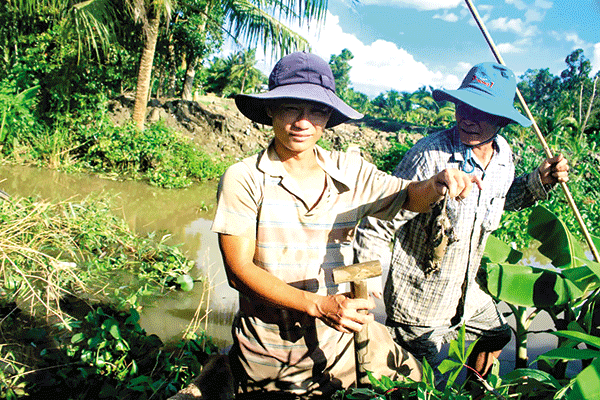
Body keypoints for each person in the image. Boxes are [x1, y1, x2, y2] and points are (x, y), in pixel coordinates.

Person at [211, 51, 481, 398]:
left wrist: (436, 184)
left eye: (317, 110)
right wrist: (320, 305)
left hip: (338, 348)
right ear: (271, 109)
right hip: (270, 355)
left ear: (329, 118)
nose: (303, 122)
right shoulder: (244, 178)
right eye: (291, 107)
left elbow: (408, 196)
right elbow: (238, 271)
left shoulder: (350, 171)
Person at [353, 62, 569, 384]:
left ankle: (473, 389)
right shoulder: (429, 156)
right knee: (415, 381)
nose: (468, 118)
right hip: (420, 301)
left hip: (465, 293)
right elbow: (377, 221)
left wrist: (541, 180)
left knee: (497, 334)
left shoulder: (503, 157)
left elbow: (501, 199)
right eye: (464, 107)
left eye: (482, 112)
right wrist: (365, 282)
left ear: (502, 121)